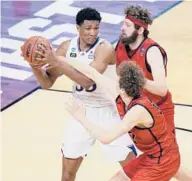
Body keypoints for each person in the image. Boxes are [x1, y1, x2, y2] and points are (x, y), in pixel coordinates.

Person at [23, 7, 136, 181]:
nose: (92, 33)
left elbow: (87, 80)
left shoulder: (104, 48)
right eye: (88, 28)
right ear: (78, 28)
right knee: (67, 174)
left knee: (134, 171)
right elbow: (47, 83)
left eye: (96, 28)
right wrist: (34, 65)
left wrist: (58, 63)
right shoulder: (66, 47)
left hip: (109, 111)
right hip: (80, 110)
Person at [45, 56, 180, 181]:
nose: (113, 79)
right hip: (153, 156)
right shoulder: (124, 96)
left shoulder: (137, 111)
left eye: (117, 79)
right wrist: (60, 58)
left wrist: (81, 117)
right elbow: (92, 73)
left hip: (163, 162)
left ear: (122, 88)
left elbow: (106, 138)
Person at [114, 5, 192, 181]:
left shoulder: (151, 51)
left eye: (128, 25)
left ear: (140, 29)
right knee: (163, 162)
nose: (122, 27)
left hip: (160, 111)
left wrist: (136, 78)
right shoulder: (121, 46)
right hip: (138, 109)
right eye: (123, 23)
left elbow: (161, 88)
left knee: (167, 161)